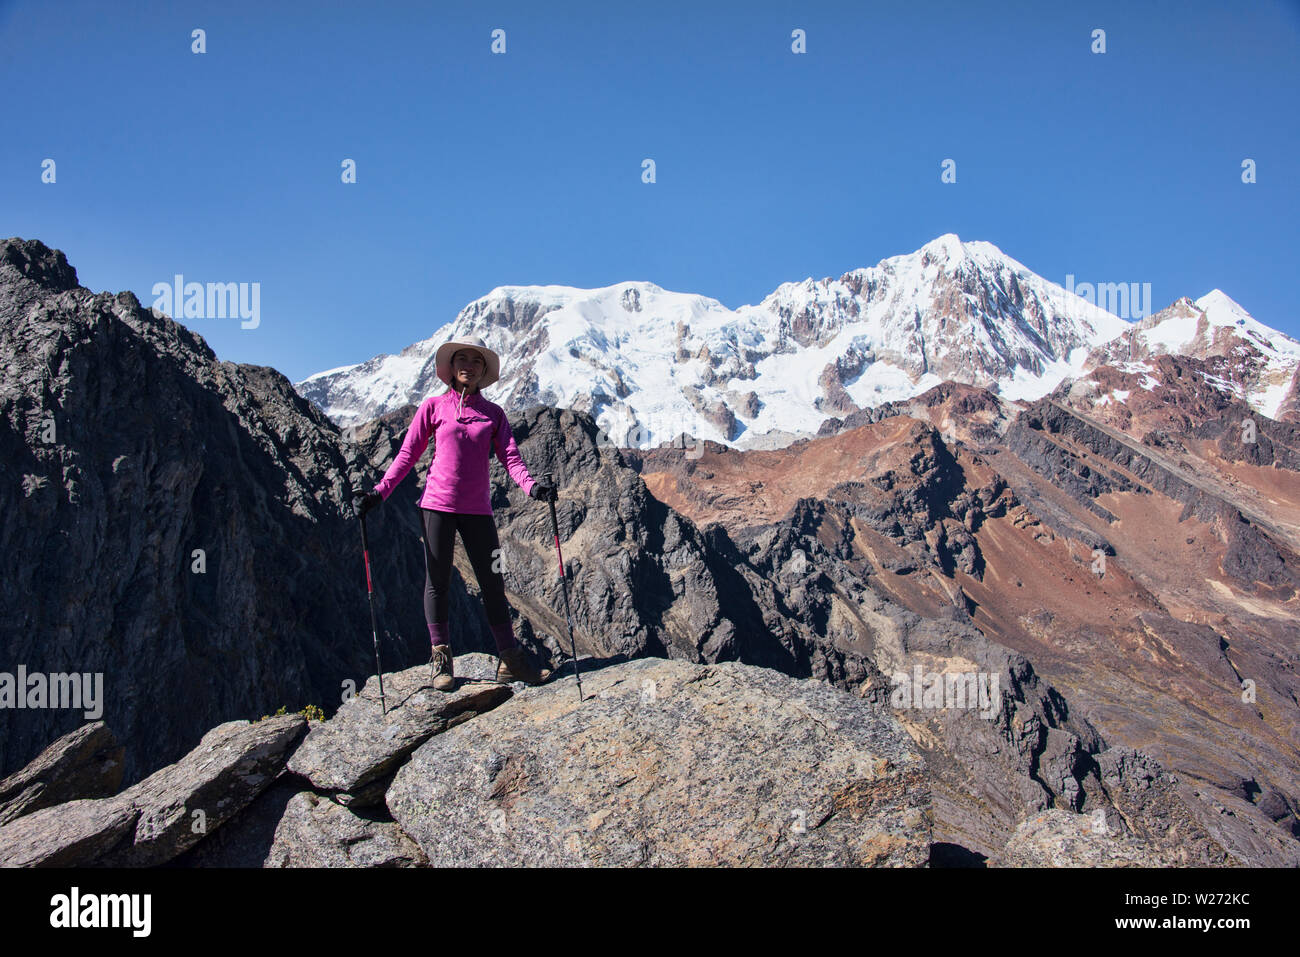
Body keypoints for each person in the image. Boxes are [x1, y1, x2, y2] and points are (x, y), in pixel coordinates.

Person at [352, 335, 558, 691]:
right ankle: (441, 660)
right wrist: (378, 493)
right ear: (451, 368)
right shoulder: (432, 408)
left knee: (494, 583)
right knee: (439, 583)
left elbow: (510, 458)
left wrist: (533, 487)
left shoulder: (493, 414)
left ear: (483, 371)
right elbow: (407, 455)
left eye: (475, 361)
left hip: (479, 511)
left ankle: (510, 660)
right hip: (436, 508)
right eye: (461, 359)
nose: (468, 365)